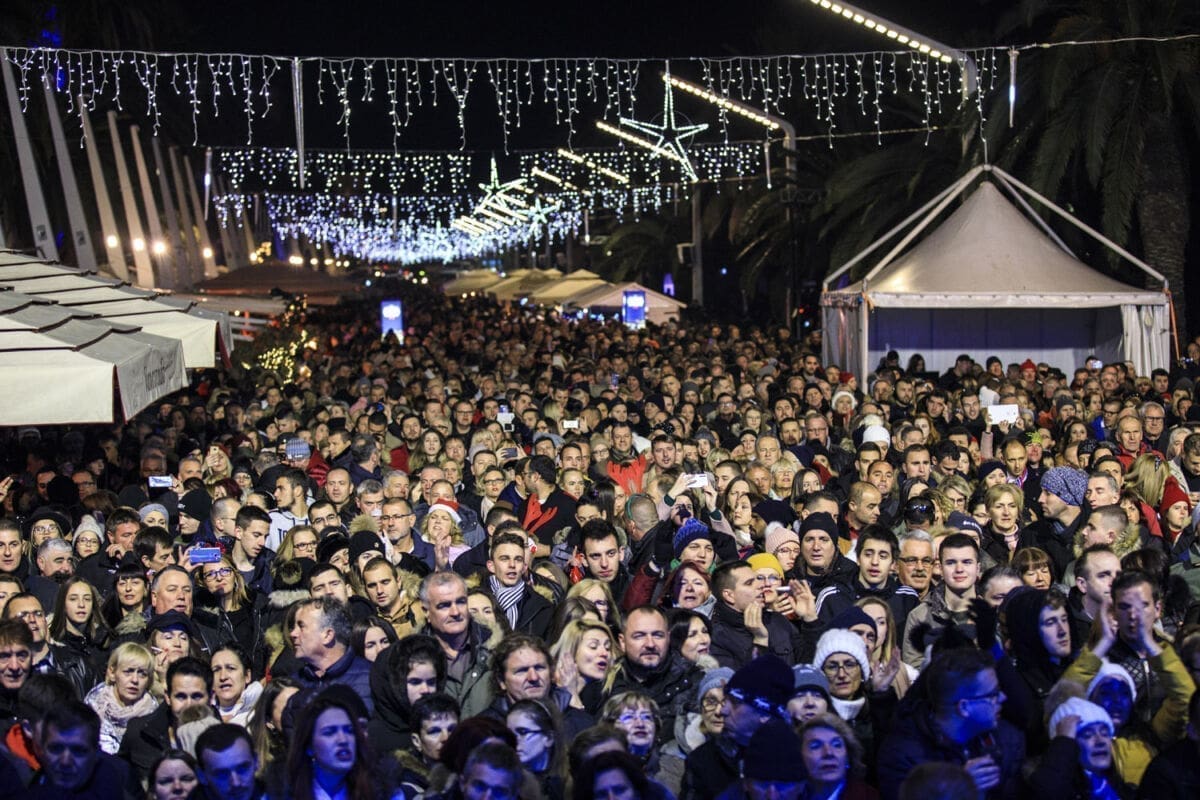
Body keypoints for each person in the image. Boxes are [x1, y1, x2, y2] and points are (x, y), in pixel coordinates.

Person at [876, 648, 1025, 800]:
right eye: (993, 694)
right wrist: (956, 788)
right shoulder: (903, 756)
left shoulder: (1007, 741)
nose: (1003, 698)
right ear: (964, 707)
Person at [682, 654, 793, 800]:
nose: (722, 710)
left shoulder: (804, 758)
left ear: (765, 713)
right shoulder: (702, 761)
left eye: (735, 703)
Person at [267, 689, 381, 800]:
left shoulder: (382, 791)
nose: (343, 740)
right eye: (329, 732)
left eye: (349, 730)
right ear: (309, 746)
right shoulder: (280, 793)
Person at [118, 656, 213, 781]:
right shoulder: (139, 734)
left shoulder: (225, 739)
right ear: (167, 697)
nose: (188, 705)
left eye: (196, 696)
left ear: (211, 697)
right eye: (181, 696)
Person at [25, 700, 141, 799]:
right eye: (56, 749)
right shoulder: (25, 789)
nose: (65, 761)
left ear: (96, 753)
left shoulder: (121, 785)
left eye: (78, 751)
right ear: (42, 750)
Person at [418, 570, 494, 718]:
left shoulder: (495, 650)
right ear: (426, 611)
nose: (455, 612)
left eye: (460, 602)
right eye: (444, 606)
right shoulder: (412, 657)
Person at [1029, 697, 1133, 799]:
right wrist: (1064, 739)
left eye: (1105, 733)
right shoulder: (1058, 790)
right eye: (1087, 735)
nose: (1100, 741)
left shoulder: (1122, 789)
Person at [289, 596, 374, 713]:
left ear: (327, 635)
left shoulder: (370, 677)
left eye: (301, 626)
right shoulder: (294, 684)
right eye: (294, 627)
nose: (293, 633)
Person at [84, 642, 159, 755]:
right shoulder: (92, 707)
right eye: (128, 671)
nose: (135, 680)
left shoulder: (154, 715)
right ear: (112, 673)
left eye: (142, 674)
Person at [797, 713, 879, 800]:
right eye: (816, 746)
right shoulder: (788, 795)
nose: (829, 753)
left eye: (837, 745)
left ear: (848, 757)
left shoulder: (870, 797)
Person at [193, 723, 263, 800]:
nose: (236, 783)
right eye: (222, 774)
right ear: (201, 775)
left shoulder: (274, 794)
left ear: (256, 761)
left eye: (242, 769)